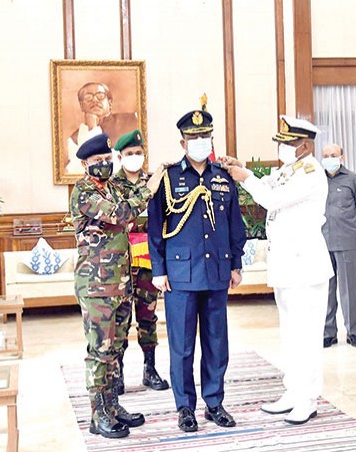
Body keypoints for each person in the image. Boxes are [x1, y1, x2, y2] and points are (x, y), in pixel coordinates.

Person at [221, 115, 333, 425]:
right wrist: (241, 167)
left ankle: (308, 399)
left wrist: (244, 177)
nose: (282, 148)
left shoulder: (311, 173)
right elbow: (268, 183)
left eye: (287, 144)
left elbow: (270, 199)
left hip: (305, 266)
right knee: (290, 334)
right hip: (287, 265)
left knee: (306, 336)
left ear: (304, 146)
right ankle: (292, 392)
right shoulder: (290, 169)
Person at [146, 109, 246, 433]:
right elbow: (155, 227)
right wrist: (158, 269)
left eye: (205, 137)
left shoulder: (223, 177)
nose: (200, 142)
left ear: (211, 139)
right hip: (180, 276)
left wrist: (236, 263)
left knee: (217, 342)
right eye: (194, 138)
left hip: (216, 271)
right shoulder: (168, 177)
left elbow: (235, 225)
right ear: (182, 141)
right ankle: (185, 407)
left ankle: (214, 403)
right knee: (183, 345)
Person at [70, 132, 165, 439]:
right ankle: (98, 415)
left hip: (121, 283)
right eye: (97, 161)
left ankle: (112, 406)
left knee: (116, 347)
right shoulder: (83, 191)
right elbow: (122, 214)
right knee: (100, 350)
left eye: (107, 160)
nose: (104, 165)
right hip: (96, 286)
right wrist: (150, 188)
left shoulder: (111, 188)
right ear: (85, 164)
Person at [109, 129, 169, 394]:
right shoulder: (112, 185)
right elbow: (119, 218)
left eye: (138, 153)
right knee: (120, 319)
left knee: (148, 316)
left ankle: (150, 369)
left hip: (148, 260)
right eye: (129, 153)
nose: (135, 157)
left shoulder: (154, 181)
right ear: (120, 157)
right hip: (121, 261)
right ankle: (118, 373)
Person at [319, 143, 356, 348]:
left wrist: (348, 226)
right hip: (322, 241)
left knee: (348, 288)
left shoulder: (353, 180)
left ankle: (353, 332)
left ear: (342, 157)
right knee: (327, 290)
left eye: (333, 155)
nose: (329, 158)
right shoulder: (317, 180)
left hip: (347, 241)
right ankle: (328, 332)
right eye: (325, 155)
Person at [66, 82, 139, 174]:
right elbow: (74, 171)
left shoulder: (134, 119)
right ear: (81, 106)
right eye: (88, 97)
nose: (95, 100)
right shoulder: (74, 139)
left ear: (110, 102)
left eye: (100, 96)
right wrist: (91, 129)